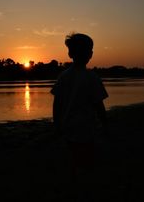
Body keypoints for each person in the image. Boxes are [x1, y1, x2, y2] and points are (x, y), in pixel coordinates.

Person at [51, 33, 108, 200]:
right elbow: (99, 105)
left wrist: (57, 125)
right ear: (90, 54)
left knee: (74, 157)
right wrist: (105, 124)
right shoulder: (92, 77)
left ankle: (74, 184)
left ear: (70, 54)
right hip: (86, 127)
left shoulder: (63, 77)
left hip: (68, 126)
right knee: (87, 159)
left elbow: (57, 105)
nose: (90, 53)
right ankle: (83, 187)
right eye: (89, 50)